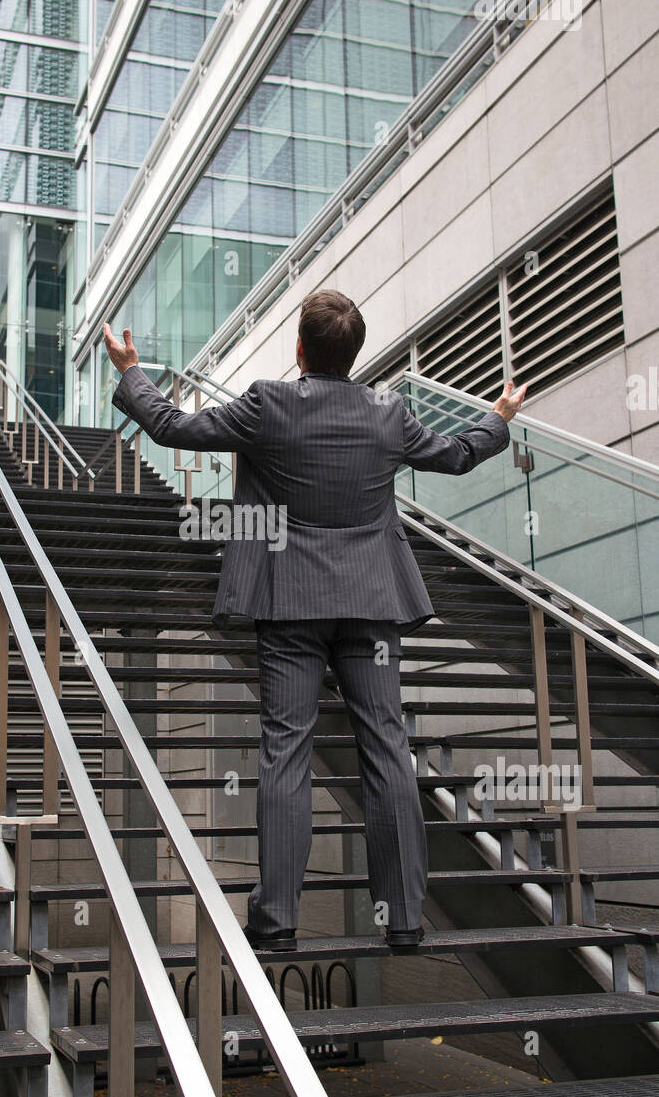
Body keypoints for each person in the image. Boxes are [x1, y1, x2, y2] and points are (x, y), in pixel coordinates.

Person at [104, 291, 527, 952]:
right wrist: (497, 419)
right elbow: (455, 455)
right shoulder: (388, 413)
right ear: (352, 354)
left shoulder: (269, 404)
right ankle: (406, 916)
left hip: (290, 603)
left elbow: (173, 430)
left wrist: (131, 371)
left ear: (300, 350)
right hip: (370, 608)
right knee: (387, 750)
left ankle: (276, 922)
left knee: (286, 753)